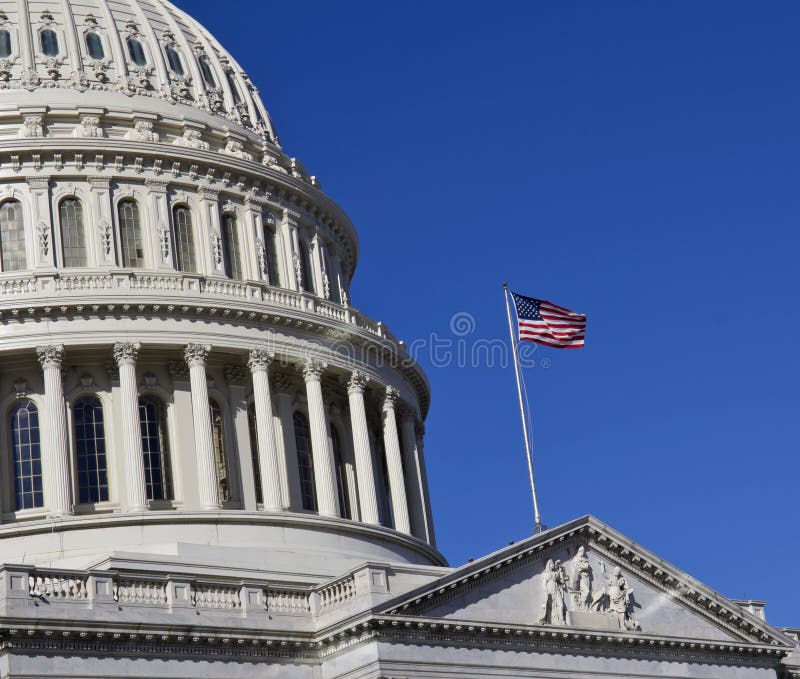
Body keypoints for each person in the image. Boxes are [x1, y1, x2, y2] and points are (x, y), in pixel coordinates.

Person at [541, 559, 567, 625]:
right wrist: (546, 592)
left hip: (557, 591)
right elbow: (544, 584)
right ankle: (550, 619)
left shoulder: (555, 573)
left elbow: (562, 582)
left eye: (553, 563)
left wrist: (560, 571)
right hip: (550, 591)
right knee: (550, 606)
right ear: (548, 565)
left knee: (561, 604)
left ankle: (561, 619)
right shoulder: (546, 574)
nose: (553, 565)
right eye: (551, 564)